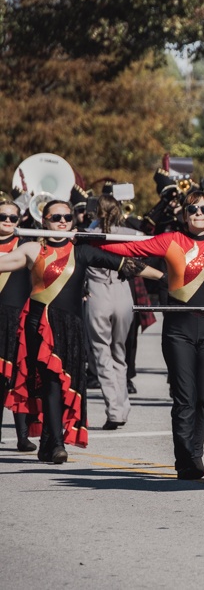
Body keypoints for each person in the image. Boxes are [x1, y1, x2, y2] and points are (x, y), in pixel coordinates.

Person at [0, 200, 155, 464]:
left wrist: (166, 278)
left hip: (71, 327)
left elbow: (125, 264)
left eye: (67, 217)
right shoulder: (32, 248)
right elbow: (6, 262)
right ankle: (57, 443)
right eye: (56, 217)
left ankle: (49, 441)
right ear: (44, 220)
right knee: (49, 381)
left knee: (64, 385)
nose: (62, 221)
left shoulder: (81, 250)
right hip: (40, 325)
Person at [99, 191, 204, 477]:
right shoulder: (172, 241)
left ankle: (196, 450)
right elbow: (130, 248)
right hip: (178, 329)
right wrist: (88, 239)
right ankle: (187, 458)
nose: (199, 213)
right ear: (185, 214)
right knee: (184, 396)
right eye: (193, 208)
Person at [84, 195, 140, 430]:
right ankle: (122, 407)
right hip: (122, 292)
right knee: (119, 352)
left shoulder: (85, 234)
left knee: (101, 354)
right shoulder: (129, 235)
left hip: (97, 293)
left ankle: (115, 410)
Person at [0, 200, 35, 452]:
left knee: (19, 377)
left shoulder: (26, 246)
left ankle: (22, 437)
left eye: (13, 218)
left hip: (18, 319)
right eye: (3, 216)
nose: (8, 221)